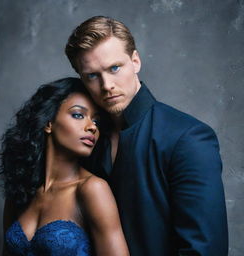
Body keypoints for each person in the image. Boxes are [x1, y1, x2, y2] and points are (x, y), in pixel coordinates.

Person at [65, 16, 228, 255]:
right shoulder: (86, 140)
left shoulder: (189, 138)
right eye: (92, 75)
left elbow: (204, 250)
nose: (107, 84)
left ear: (136, 61)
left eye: (114, 68)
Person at [0, 77, 129, 256]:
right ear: (48, 123)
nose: (91, 127)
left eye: (96, 121)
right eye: (78, 115)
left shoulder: (92, 189)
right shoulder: (21, 189)